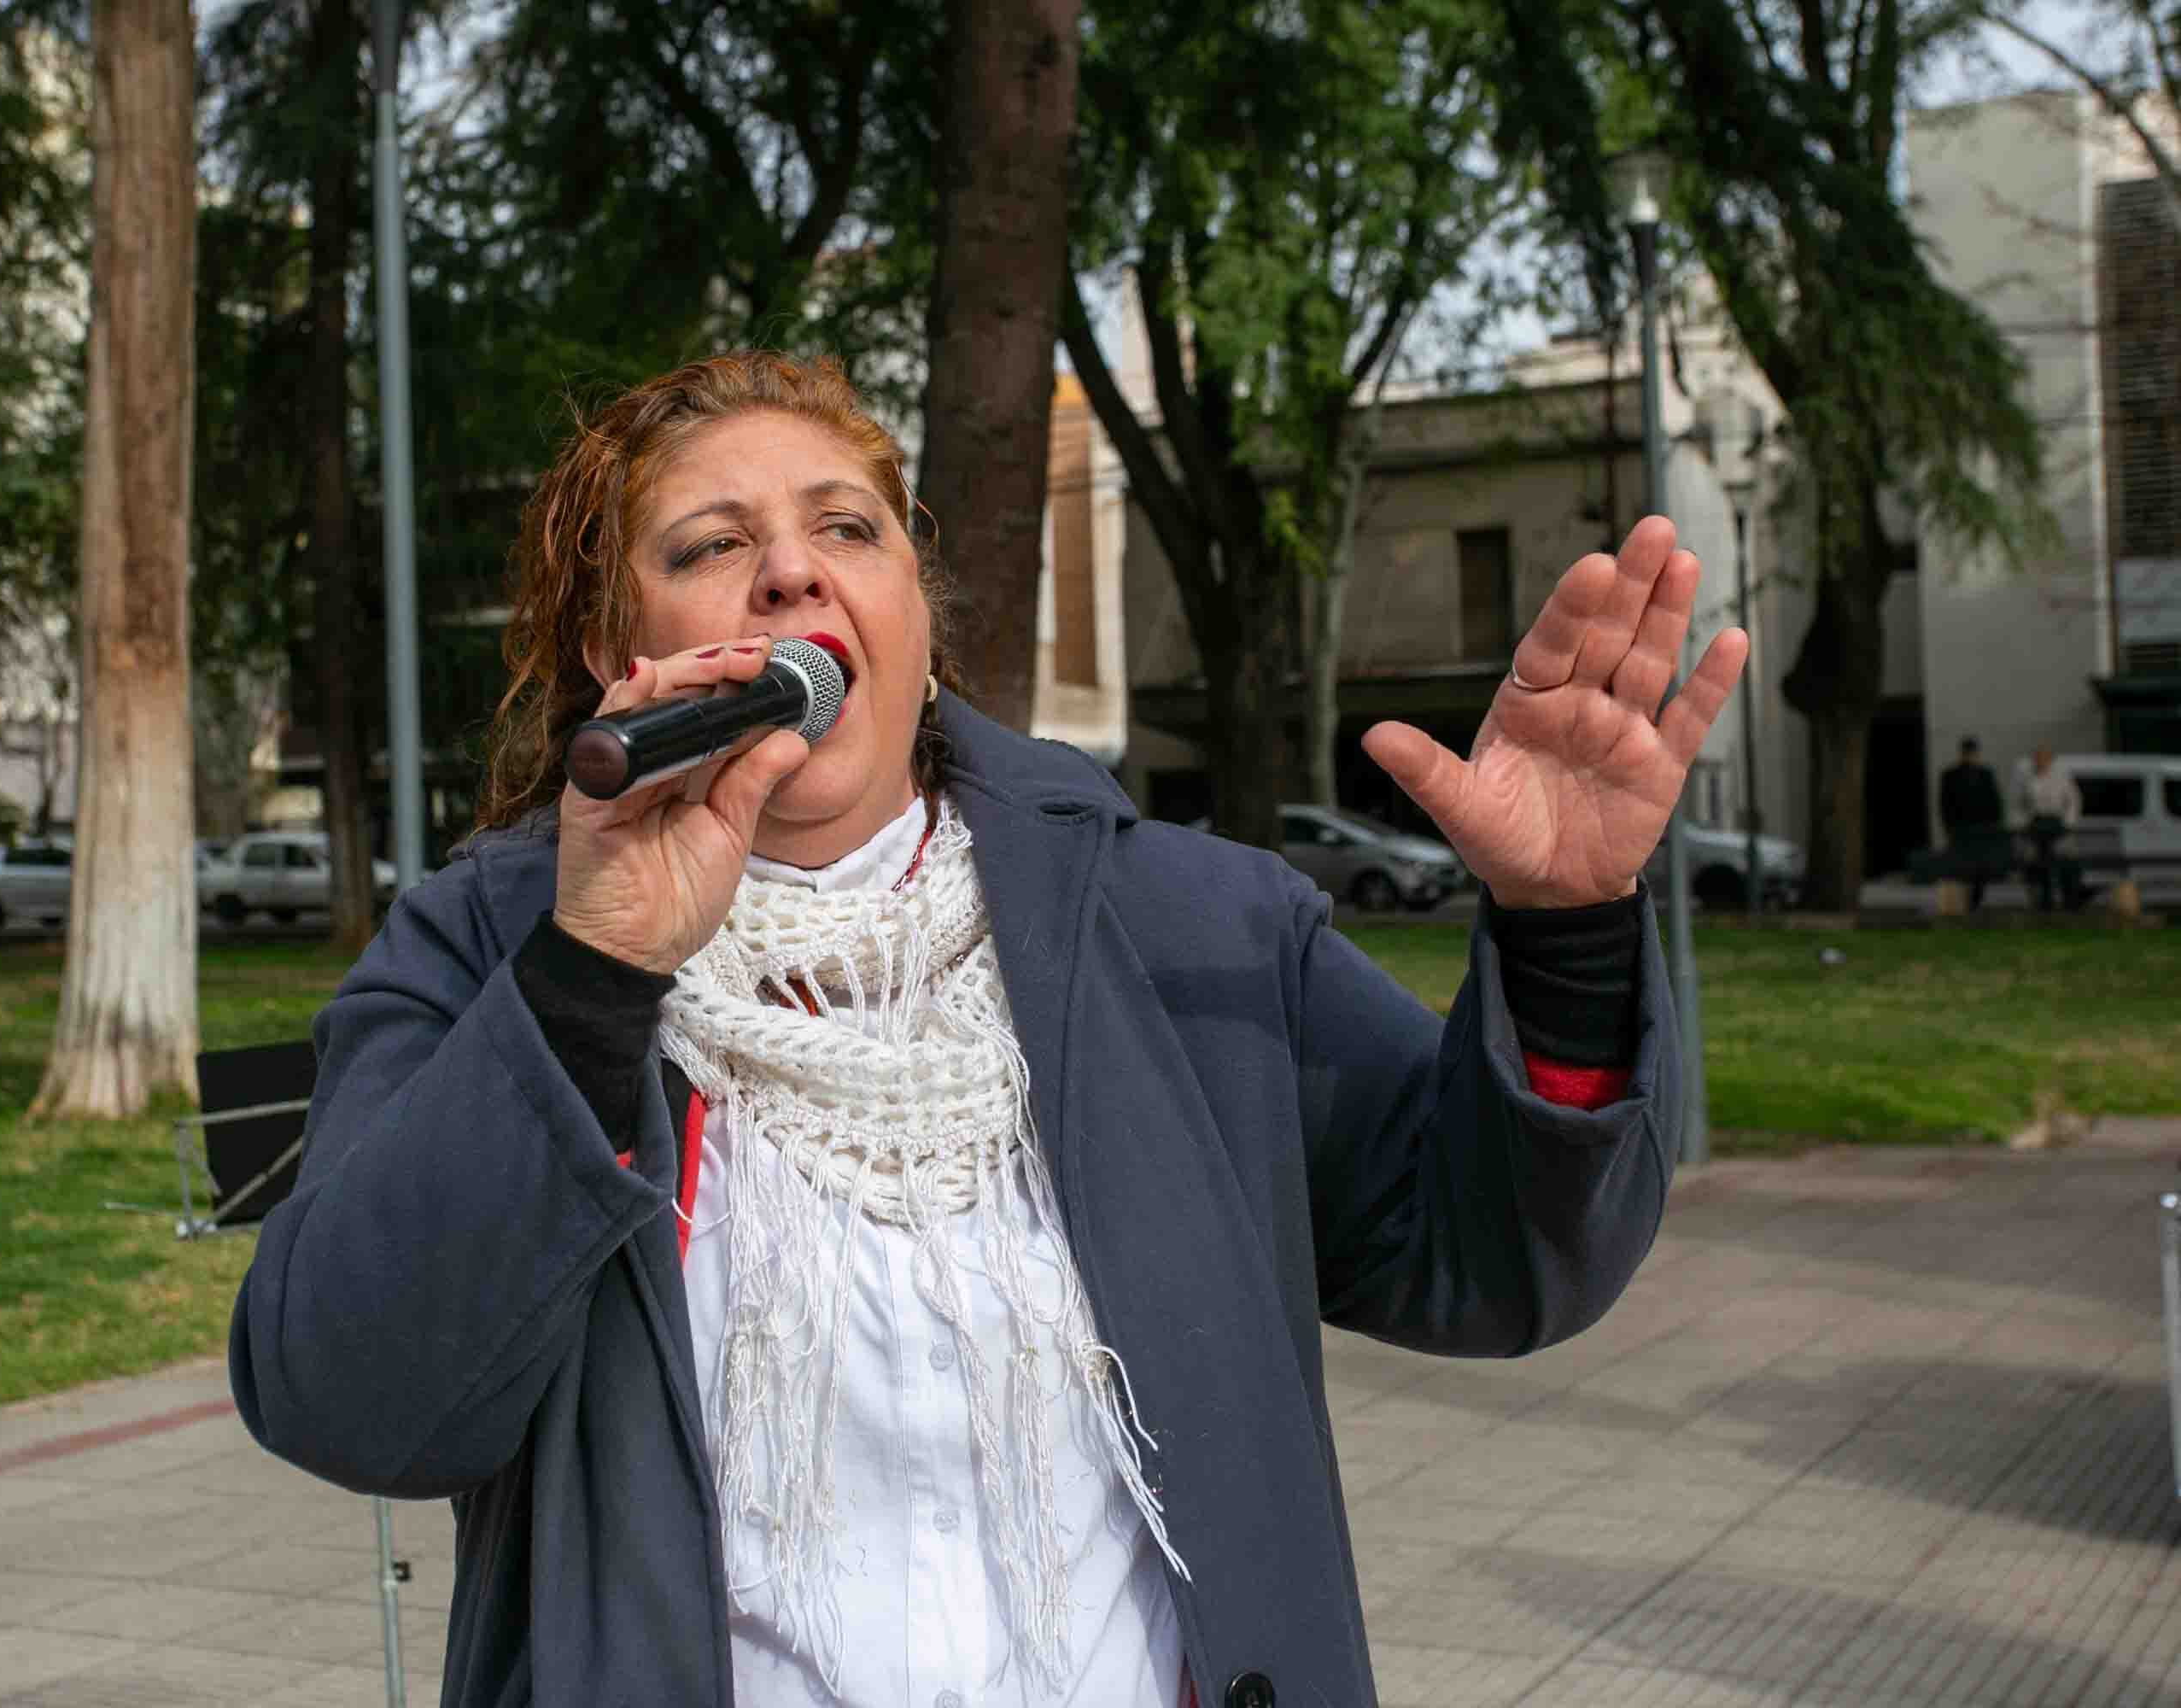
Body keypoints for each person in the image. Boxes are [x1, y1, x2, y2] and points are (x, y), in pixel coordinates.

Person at [229, 353, 1747, 1708]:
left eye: (847, 530)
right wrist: (594, 974)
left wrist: (1561, 933)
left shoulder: (1185, 924)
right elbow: (352, 1402)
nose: (792, 578)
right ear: (615, 653)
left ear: (914, 617)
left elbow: (1497, 1257)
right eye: (710, 546)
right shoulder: (493, 952)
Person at [1938, 735, 2006, 911]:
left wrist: (1995, 827)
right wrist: (1949, 827)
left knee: (1981, 869)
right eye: (1967, 753)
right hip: (1961, 829)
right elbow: (1945, 804)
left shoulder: (1985, 774)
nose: (1970, 757)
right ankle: (1965, 902)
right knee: (1962, 867)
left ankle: (1974, 900)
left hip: (1982, 829)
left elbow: (1995, 802)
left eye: (1972, 753)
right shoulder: (1950, 776)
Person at [2015, 743, 2085, 912]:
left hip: (2056, 822)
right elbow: (2020, 804)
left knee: (2062, 861)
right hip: (2037, 822)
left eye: (2044, 758)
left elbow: (2074, 801)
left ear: (2050, 760)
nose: (2040, 761)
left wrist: (2068, 824)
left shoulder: (2061, 777)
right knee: (2039, 863)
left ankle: (2069, 901)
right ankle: (2044, 902)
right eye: (2037, 758)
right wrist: (2024, 823)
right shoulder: (2027, 779)